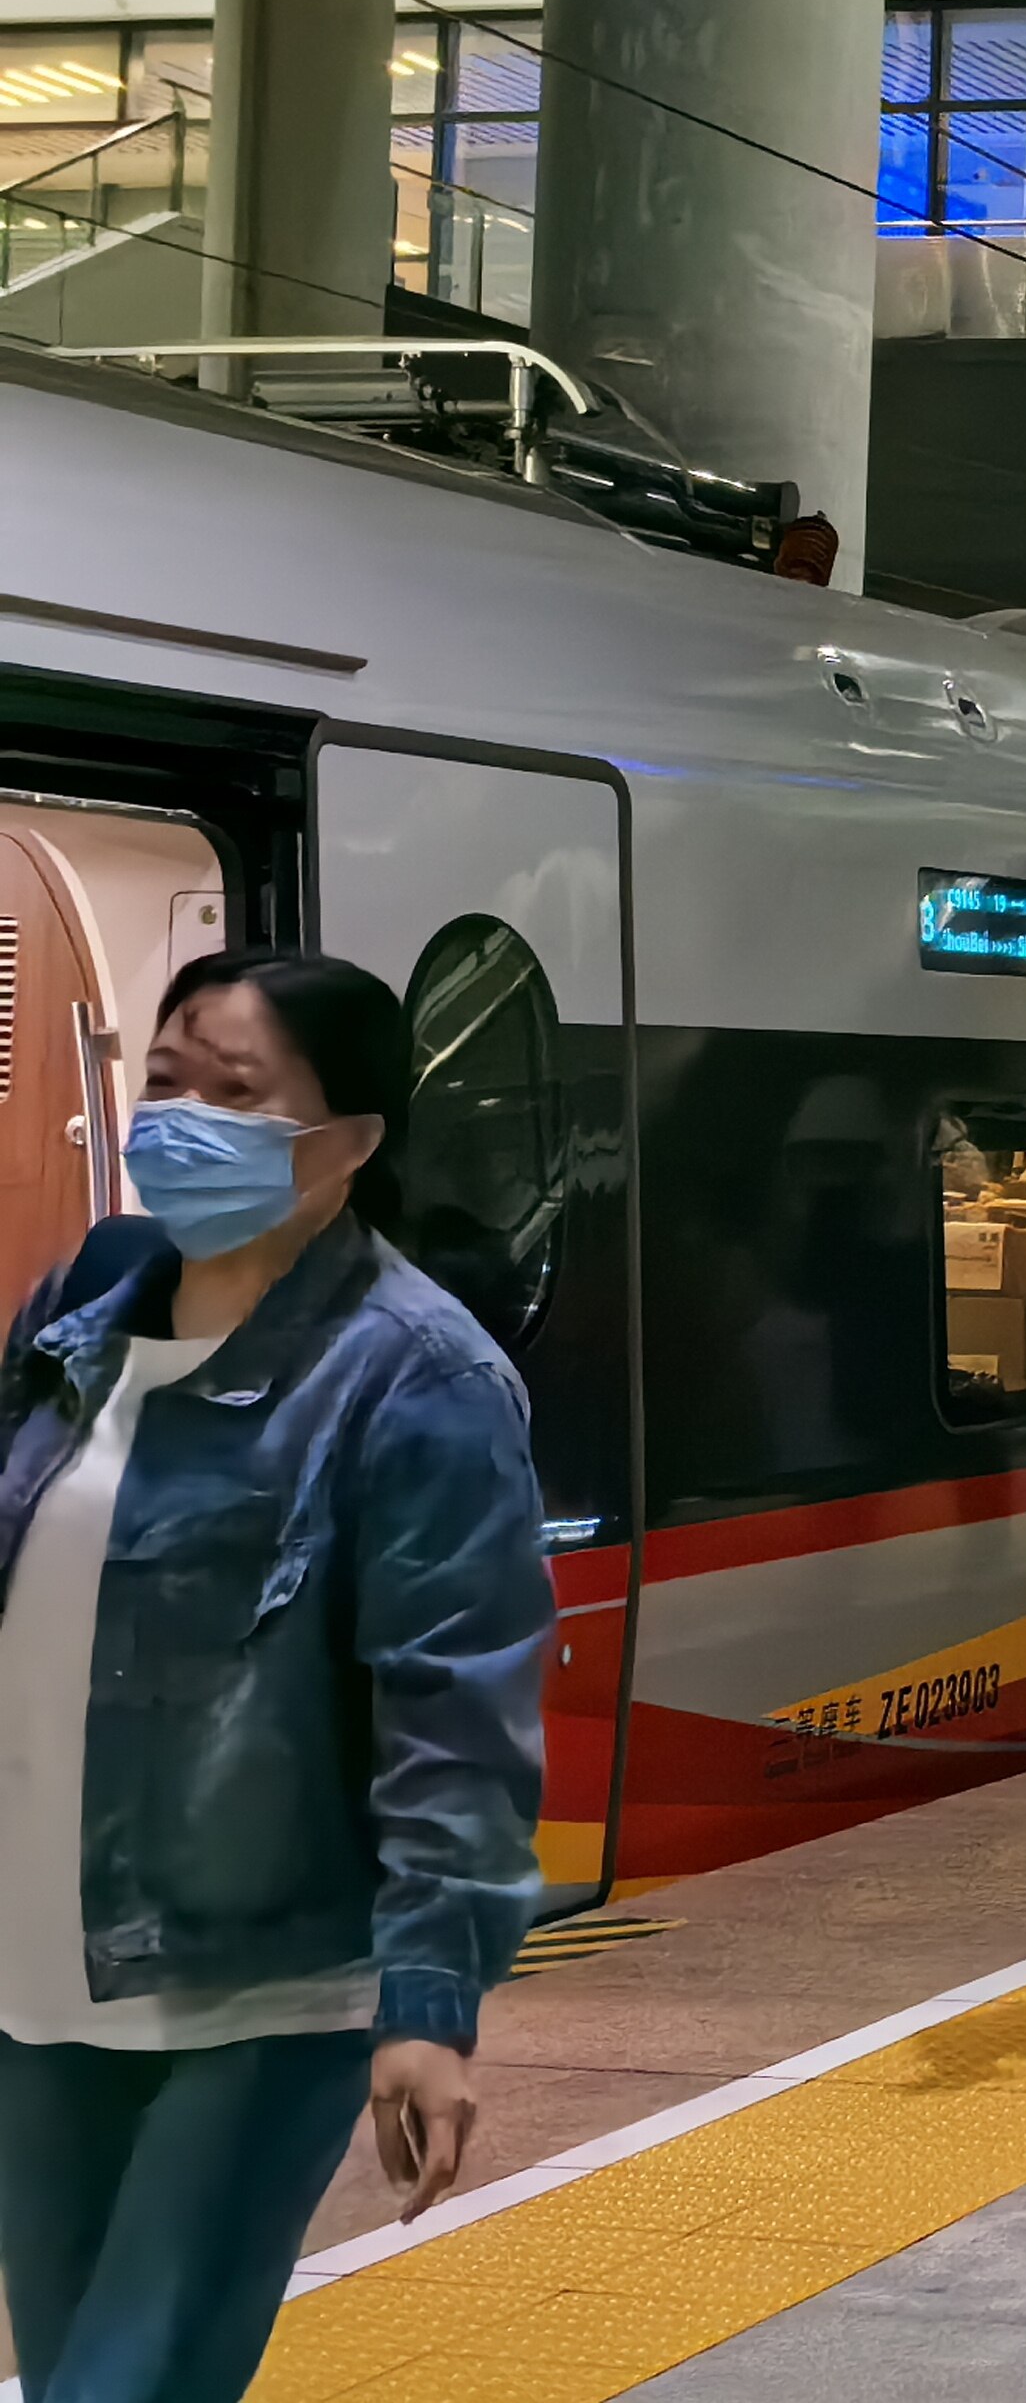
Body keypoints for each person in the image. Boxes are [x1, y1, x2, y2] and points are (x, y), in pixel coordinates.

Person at [0, 950, 549, 2403]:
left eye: (235, 1094)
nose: (180, 1122)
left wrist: (429, 2007)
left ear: (352, 1138)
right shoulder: (85, 1309)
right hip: (39, 1980)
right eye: (166, 1082)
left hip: (264, 1991)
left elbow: (456, 1711)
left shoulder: (417, 1377)